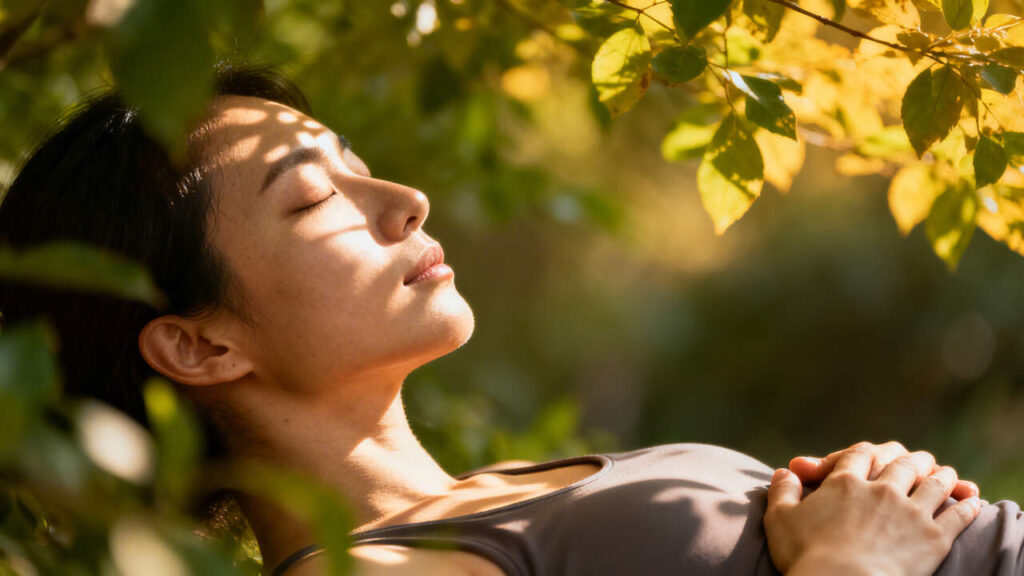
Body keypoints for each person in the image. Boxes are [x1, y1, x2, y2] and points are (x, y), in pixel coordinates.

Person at [0, 64, 1017, 576]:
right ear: (198, 341)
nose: (404, 200)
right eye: (315, 199)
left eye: (363, 167)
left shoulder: (474, 506)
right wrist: (856, 560)